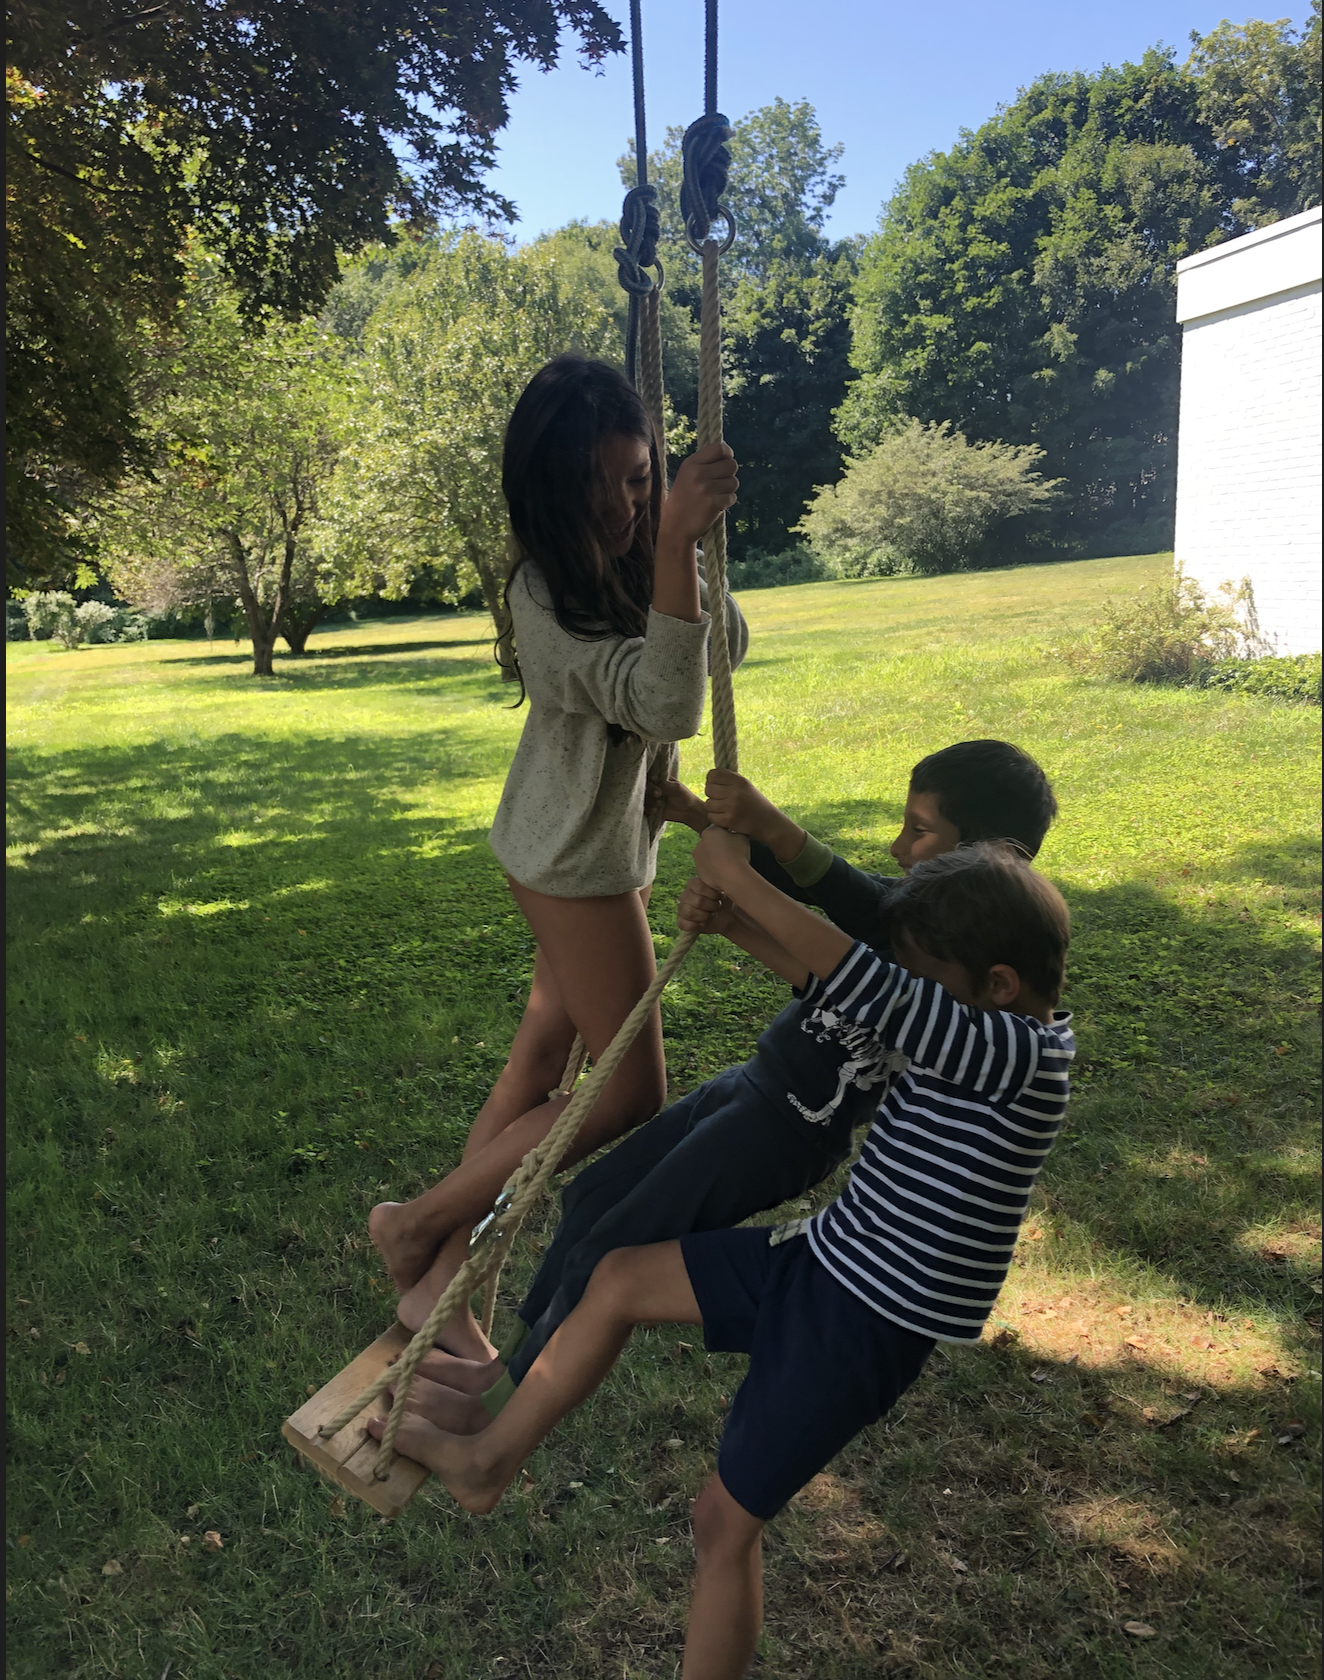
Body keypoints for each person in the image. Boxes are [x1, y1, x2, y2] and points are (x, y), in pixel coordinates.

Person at [368, 837, 1075, 1680]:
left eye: (925, 980)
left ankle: (489, 1459)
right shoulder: (978, 1023)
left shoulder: (1017, 1057)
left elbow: (861, 981)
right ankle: (492, 1454)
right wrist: (738, 927)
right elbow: (856, 993)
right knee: (618, 1276)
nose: (908, 995)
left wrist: (743, 882)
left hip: (863, 1323)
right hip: (827, 1257)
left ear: (999, 985)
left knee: (720, 1527)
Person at [400, 740, 1057, 1413]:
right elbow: (827, 955)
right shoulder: (929, 923)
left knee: (613, 1240)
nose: (897, 847)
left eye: (919, 832)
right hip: (752, 1086)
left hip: (784, 1132)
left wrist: (757, 845)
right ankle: (510, 1363)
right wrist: (727, 896)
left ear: (987, 855)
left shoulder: (962, 970)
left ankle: (508, 1399)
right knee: (591, 1199)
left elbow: (848, 901)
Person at [369, 354, 747, 1359]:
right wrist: (670, 541)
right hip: (569, 860)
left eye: (639, 479)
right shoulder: (538, 596)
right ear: (548, 491)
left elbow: (725, 646)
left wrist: (684, 549)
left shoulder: (637, 558)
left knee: (541, 1058)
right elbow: (667, 701)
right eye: (605, 488)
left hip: (589, 850)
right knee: (628, 1093)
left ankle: (442, 1285)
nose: (627, 506)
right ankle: (411, 1228)